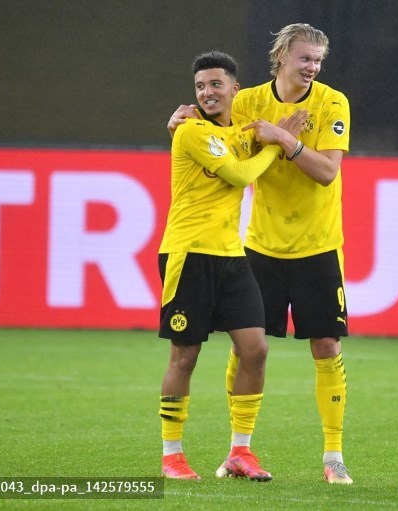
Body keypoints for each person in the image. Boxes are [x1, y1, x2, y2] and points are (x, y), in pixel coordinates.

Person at [167, 24, 353, 484]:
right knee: (247, 348)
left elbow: (328, 172)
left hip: (319, 244)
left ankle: (333, 458)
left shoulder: (332, 102)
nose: (312, 67)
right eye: (304, 58)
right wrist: (178, 122)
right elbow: (207, 135)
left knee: (327, 346)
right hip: (260, 246)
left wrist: (286, 141)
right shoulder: (248, 101)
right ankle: (239, 450)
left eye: (317, 61)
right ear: (281, 58)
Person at [158, 50, 307, 481]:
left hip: (230, 256)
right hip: (188, 253)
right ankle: (172, 456)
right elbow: (242, 177)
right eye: (201, 86)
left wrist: (272, 136)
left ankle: (240, 451)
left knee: (255, 349)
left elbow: (248, 155)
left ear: (234, 90)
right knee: (185, 356)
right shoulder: (190, 133)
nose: (207, 92)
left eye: (215, 84)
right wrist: (279, 140)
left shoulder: (243, 132)